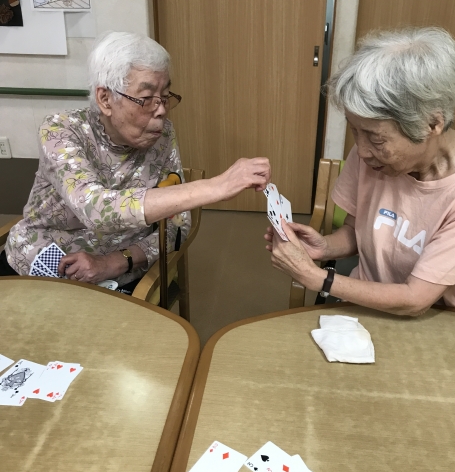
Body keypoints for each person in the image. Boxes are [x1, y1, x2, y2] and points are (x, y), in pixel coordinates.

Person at [4, 31, 270, 291]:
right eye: (146, 99)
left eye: (165, 97)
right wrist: (215, 186)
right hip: (44, 261)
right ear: (105, 99)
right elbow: (95, 208)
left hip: (121, 270)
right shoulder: (61, 130)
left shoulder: (163, 136)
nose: (161, 110)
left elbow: (178, 225)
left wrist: (115, 262)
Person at [266, 27, 455, 316]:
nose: (362, 151)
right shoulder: (375, 157)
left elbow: (415, 299)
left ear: (432, 124)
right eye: (355, 131)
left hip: (442, 323)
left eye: (376, 139)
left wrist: (316, 278)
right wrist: (324, 247)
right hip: (366, 308)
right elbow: (359, 229)